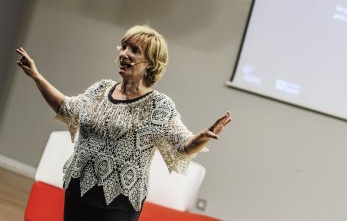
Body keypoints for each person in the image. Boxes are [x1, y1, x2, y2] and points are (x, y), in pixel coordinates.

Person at [16, 25, 232, 221]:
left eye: (135, 51)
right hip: (79, 188)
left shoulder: (159, 105)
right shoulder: (101, 90)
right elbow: (66, 107)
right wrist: (37, 76)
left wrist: (204, 135)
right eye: (124, 47)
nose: (125, 54)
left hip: (119, 202)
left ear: (151, 64)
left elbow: (183, 145)